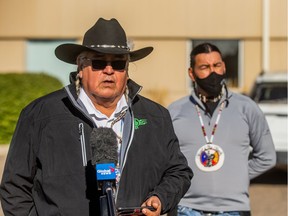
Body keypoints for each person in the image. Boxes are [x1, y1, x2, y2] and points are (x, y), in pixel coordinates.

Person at [0, 18, 193, 216]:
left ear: (126, 71)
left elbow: (178, 172)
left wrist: (161, 197)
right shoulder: (41, 114)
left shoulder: (155, 117)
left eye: (118, 64)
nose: (109, 71)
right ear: (80, 68)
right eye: (99, 63)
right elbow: (15, 187)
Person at [168, 43, 276, 216]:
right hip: (185, 208)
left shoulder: (247, 107)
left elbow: (267, 156)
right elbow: (164, 161)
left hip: (233, 209)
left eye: (217, 65)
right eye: (204, 67)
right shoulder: (174, 111)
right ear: (191, 73)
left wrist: (237, 174)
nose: (212, 72)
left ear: (224, 67)